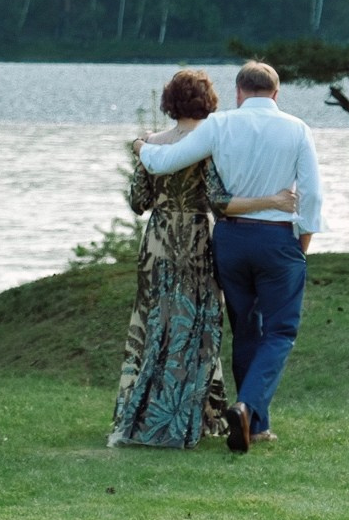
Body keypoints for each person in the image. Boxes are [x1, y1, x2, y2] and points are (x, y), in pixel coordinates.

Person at [136, 62, 322, 454]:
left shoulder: (219, 126)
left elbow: (164, 162)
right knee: (281, 331)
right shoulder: (297, 129)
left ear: (239, 92)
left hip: (231, 239)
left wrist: (139, 146)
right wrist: (300, 243)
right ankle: (247, 408)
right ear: (276, 93)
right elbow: (312, 196)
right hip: (276, 238)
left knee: (245, 328)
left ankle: (255, 425)